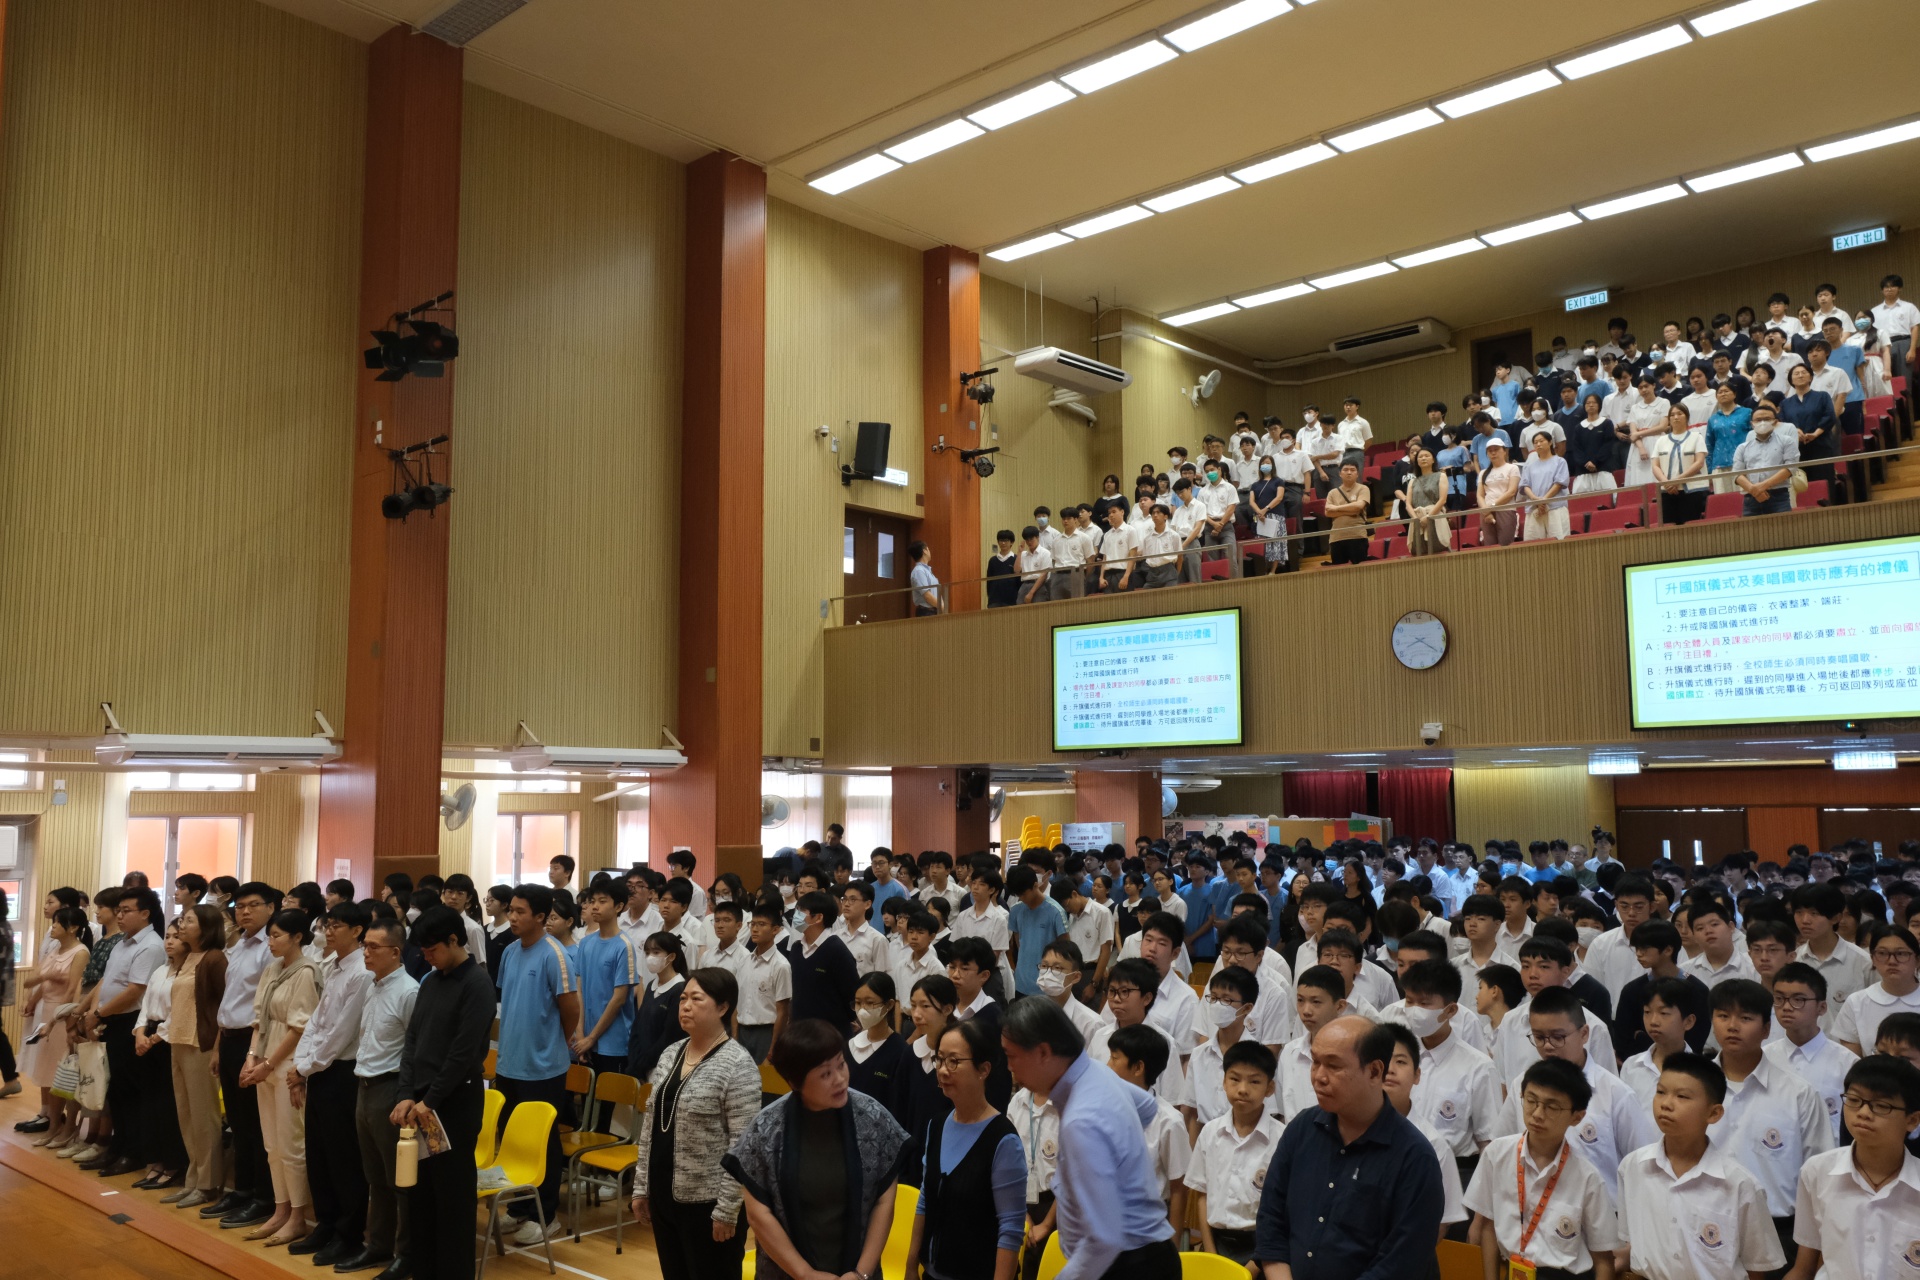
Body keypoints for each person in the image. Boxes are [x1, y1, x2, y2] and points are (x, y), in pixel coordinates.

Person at [998, 995, 1180, 1280]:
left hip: (1128, 1266)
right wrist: (1122, 1162)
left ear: (1043, 1052)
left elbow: (1104, 1240)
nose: (1009, 1067)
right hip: (1142, 1254)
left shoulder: (1082, 1120)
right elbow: (1147, 1107)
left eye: (1012, 1056)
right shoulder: (1096, 1071)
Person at [1255, 1016, 1444, 1280]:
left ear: (1375, 1071)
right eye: (1316, 1062)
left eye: (1333, 1066)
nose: (1319, 1077)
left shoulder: (1414, 1157)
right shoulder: (1302, 1129)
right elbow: (1271, 1217)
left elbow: (1400, 1264)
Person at [723, 1019, 911, 1280]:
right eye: (825, 1074)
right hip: (785, 1273)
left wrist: (861, 1273)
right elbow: (758, 1214)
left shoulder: (873, 1118)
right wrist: (805, 1273)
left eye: (841, 1064)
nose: (840, 1079)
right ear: (795, 1082)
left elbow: (884, 1200)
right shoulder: (766, 1129)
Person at [627, 966, 761, 1280]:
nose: (685, 1006)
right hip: (664, 1196)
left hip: (709, 1204)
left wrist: (727, 1209)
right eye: (683, 998)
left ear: (723, 1007)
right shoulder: (671, 1054)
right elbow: (650, 1126)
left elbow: (744, 1146)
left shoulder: (739, 1064)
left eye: (696, 999)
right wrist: (641, 1188)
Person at [390, 906, 493, 1280]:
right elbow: (412, 1041)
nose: (427, 957)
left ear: (454, 940)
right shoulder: (431, 981)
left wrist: (429, 1101)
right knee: (420, 1197)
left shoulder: (477, 984)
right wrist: (406, 1094)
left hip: (454, 1104)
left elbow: (462, 1055)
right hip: (419, 1102)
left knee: (452, 1200)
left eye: (432, 949)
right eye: (422, 950)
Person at [1617, 1052, 1785, 1280]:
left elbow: (1756, 1267)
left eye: (1682, 1096)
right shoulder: (1633, 1167)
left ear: (1713, 1113)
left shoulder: (1739, 1185)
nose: (1666, 1104)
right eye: (1661, 1092)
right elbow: (1631, 1242)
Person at [901, 1017, 1025, 1280]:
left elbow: (1011, 1228)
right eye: (939, 1059)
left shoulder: (1003, 1139)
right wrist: (911, 1264)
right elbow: (925, 1199)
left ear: (983, 1069)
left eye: (954, 1061)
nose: (943, 1070)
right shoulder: (936, 1125)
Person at [494, 884, 581, 1243]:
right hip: (509, 1063)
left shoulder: (554, 954)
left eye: (520, 912)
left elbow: (571, 1010)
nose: (512, 917)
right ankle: (519, 1207)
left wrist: (551, 1044)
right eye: (511, 910)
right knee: (512, 1141)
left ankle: (545, 1215)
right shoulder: (509, 951)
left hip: (543, 1067)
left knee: (542, 1141)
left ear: (541, 917)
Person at [1782, 1056, 1920, 1280]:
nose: (1863, 1113)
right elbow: (1804, 1267)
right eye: (1854, 1100)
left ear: (1912, 1120)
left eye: (1881, 1106)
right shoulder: (1817, 1171)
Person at [289, 900, 374, 1265]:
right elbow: (316, 1021)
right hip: (319, 1070)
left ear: (357, 931)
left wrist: (305, 1068)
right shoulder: (333, 966)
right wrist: (301, 1064)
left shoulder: (362, 973)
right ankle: (325, 1224)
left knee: (343, 1158)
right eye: (327, 925)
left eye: (336, 925)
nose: (328, 931)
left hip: (342, 1073)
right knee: (319, 1153)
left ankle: (349, 1234)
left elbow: (342, 1033)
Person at [347, 916, 419, 1280]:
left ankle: (406, 1255)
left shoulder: (409, 992)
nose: (366, 952)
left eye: (373, 947)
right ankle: (377, 1245)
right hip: (364, 1086)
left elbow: (415, 1051)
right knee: (375, 1176)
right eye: (365, 945)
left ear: (395, 951)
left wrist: (406, 1097)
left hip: (391, 1090)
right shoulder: (373, 986)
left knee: (400, 1180)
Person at [246, 907, 321, 1242]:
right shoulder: (272, 969)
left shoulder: (307, 972)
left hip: (288, 1063)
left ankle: (298, 1216)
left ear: (298, 937)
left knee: (291, 1144)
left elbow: (299, 1027)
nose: (271, 942)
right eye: (269, 936)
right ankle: (280, 1209)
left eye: (276, 936)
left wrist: (268, 1064)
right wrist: (251, 1059)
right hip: (264, 1060)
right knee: (271, 1144)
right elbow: (259, 1019)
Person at [79, 888, 165, 1177]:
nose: (120, 915)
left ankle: (133, 1153)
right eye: (119, 910)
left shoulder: (151, 946)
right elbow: (107, 980)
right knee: (114, 1089)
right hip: (111, 1020)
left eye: (126, 910)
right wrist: (92, 1012)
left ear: (145, 913)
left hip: (131, 1023)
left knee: (130, 1092)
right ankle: (116, 1148)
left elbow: (135, 991)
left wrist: (99, 1014)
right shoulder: (122, 943)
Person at [1187, 1041, 1282, 1265]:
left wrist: (1255, 1265)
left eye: (1254, 1081)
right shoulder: (1211, 1132)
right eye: (1235, 1079)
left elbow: (1284, 1209)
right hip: (1216, 1243)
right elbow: (1203, 1195)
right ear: (1224, 1081)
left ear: (1270, 1088)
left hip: (1261, 1249)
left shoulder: (1282, 1139)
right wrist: (1211, 1254)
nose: (1242, 1089)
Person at [162, 905, 229, 1207]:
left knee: (204, 1117)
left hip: (200, 1044)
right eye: (183, 919)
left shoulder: (214, 959)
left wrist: (218, 1048)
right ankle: (193, 1179)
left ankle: (209, 1183)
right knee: (186, 1115)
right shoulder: (187, 957)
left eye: (189, 921)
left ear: (206, 927)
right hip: (178, 1040)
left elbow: (225, 1007)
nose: (182, 924)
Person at [17, 904, 89, 1148]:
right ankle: (52, 1123)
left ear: (73, 927)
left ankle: (66, 1127)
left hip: (62, 1016)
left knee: (63, 1074)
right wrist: (40, 987)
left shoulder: (80, 952)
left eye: (58, 922)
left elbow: (72, 991)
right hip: (46, 1011)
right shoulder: (55, 950)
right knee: (47, 1073)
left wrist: (55, 1020)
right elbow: (29, 981)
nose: (53, 926)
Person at [1763, 962, 1857, 1142]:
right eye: (1779, 998)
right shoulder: (1763, 1058)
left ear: (1821, 1008)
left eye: (1798, 1000)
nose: (1786, 1007)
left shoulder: (1847, 1063)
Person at [128, 921, 188, 1188]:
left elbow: (179, 1011)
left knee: (168, 1106)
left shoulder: (186, 974)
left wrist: (155, 1038)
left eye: (176, 937)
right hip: (149, 1036)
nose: (170, 941)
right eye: (167, 936)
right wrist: (140, 1033)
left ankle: (174, 1164)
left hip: (168, 1039)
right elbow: (145, 1006)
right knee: (149, 1104)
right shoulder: (161, 971)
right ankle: (156, 1162)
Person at [1833, 924, 1920, 1055]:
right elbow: (1852, 1062)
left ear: (1917, 960)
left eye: (1901, 953)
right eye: (1882, 953)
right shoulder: (1856, 1002)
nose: (1892, 961)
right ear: (1872, 959)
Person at [786, 889, 860, 1034]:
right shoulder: (796, 948)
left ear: (818, 917)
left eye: (801, 911)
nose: (796, 916)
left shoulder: (836, 950)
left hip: (830, 1034)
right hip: (800, 1032)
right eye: (796, 910)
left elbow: (851, 996)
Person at [630, 932, 691, 1082]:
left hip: (662, 1068)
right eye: (647, 953)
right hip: (640, 1066)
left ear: (671, 957)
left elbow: (670, 1037)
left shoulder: (680, 989)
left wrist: (645, 1063)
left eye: (656, 952)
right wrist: (634, 1061)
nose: (650, 957)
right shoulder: (652, 985)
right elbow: (639, 1025)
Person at [847, 972, 910, 1117]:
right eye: (858, 1003)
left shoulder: (900, 1052)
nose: (862, 1010)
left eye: (870, 1003)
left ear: (889, 1005)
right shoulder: (850, 1045)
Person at [1731, 403, 1799, 515]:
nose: (1762, 422)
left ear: (1775, 422)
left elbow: (1790, 468)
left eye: (1767, 419)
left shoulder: (1787, 441)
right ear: (1752, 424)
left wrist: (1762, 486)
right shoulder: (1742, 447)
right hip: (1751, 498)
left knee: (1784, 526)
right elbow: (1737, 474)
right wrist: (1754, 490)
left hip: (1779, 497)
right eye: (1758, 420)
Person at [1777, 362, 1836, 487]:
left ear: (1810, 377)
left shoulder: (1822, 396)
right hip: (1796, 449)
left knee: (1823, 482)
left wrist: (1815, 434)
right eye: (1796, 373)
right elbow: (1782, 422)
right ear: (1791, 380)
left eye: (1804, 373)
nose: (1800, 375)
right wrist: (1794, 431)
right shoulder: (1785, 403)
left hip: (1821, 445)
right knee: (1801, 485)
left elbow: (1830, 416)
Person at [1653, 401, 1709, 524]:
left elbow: (1699, 463)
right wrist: (1667, 483)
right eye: (1672, 415)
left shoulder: (1696, 437)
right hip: (1667, 491)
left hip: (1693, 490)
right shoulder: (1661, 440)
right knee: (1669, 528)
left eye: (1680, 414)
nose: (1676, 417)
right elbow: (1655, 466)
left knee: (1691, 526)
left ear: (1687, 417)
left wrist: (1677, 480)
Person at [1519, 429, 1570, 540]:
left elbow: (1559, 483)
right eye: (1535, 442)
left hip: (1555, 507)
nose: (1538, 444)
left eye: (1541, 441)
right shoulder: (1530, 466)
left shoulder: (1560, 461)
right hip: (1534, 508)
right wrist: (1535, 500)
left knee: (1558, 541)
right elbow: (1525, 485)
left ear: (1550, 442)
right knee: (1533, 545)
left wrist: (1543, 500)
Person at [1397, 448, 1448, 555]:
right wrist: (1416, 519)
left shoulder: (1441, 476)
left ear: (1433, 460)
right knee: (1418, 551)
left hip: (1434, 516)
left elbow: (1442, 500)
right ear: (1417, 462)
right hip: (1417, 519)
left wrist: (1428, 517)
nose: (1423, 458)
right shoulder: (1412, 481)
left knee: (1438, 549)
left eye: (1427, 456)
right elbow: (1408, 504)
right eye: (1420, 457)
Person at [1324, 461, 1371, 565]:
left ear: (1357, 474)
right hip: (1336, 538)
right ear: (1340, 473)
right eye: (1345, 470)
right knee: (1339, 572)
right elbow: (1328, 513)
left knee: (1361, 570)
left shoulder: (1363, 488)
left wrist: (1336, 508)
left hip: (1357, 536)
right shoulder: (1332, 493)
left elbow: (1359, 506)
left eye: (1352, 470)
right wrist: (1351, 511)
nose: (1349, 472)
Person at [1476, 437, 1519, 546]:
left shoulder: (1512, 468)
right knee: (1490, 546)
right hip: (1486, 512)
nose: (1493, 453)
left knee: (1505, 545)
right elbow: (1480, 495)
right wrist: (1486, 511)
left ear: (1504, 451)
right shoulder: (1483, 473)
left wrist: (1491, 507)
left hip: (1506, 509)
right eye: (1490, 451)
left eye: (1496, 449)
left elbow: (1511, 492)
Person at [906, 539, 941, 616]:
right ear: (924, 551)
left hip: (934, 610)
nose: (929, 551)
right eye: (928, 549)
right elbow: (927, 596)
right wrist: (941, 606)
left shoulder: (926, 571)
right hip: (926, 612)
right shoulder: (919, 571)